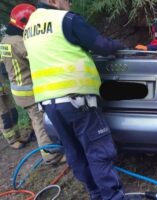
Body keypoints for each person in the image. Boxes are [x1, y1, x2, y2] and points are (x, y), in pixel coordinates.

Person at [23, 0, 126, 199]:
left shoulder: (30, 27)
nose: (69, 3)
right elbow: (101, 45)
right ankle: (112, 196)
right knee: (98, 150)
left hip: (50, 103)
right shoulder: (66, 19)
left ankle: (95, 194)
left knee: (75, 152)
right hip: (77, 100)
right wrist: (118, 46)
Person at [1, 3, 64, 163]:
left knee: (35, 118)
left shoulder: (5, 40)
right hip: (29, 90)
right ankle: (51, 155)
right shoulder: (19, 42)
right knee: (40, 121)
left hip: (18, 89)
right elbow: (39, 56)